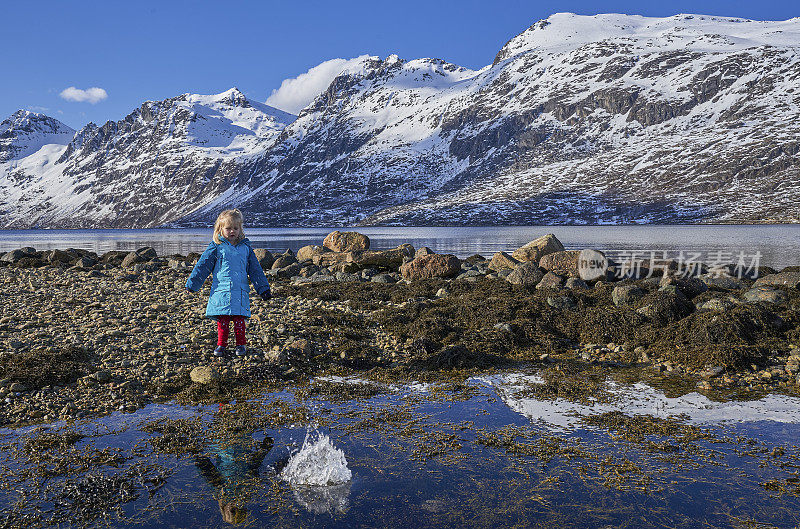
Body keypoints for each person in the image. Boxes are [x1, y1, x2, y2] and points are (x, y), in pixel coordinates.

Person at [185, 209, 271, 357]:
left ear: (240, 229)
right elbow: (202, 266)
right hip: (222, 291)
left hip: (240, 291)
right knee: (223, 321)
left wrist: (263, 289)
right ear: (220, 229)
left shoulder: (246, 248)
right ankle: (221, 345)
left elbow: (256, 270)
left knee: (239, 320)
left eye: (235, 228)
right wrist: (192, 285)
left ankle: (241, 344)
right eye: (228, 228)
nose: (232, 231)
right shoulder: (216, 247)